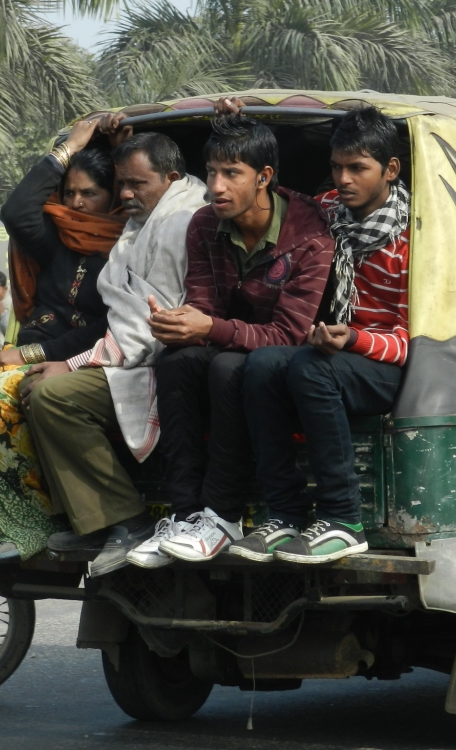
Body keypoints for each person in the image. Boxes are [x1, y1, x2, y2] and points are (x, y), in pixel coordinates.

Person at [133, 108, 335, 567]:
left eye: (231, 174)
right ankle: (186, 515)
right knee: (176, 360)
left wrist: (210, 328)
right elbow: (206, 304)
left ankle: (223, 515)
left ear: (264, 177)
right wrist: (180, 323)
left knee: (228, 366)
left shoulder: (310, 235)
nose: (216, 186)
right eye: (211, 173)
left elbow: (288, 332)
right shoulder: (204, 224)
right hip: (232, 343)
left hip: (288, 359)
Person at [0, 116, 127, 565]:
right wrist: (68, 148)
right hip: (33, 349)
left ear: (114, 195)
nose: (76, 202)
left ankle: (37, 520)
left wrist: (29, 352)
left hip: (83, 356)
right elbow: (16, 210)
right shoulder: (58, 239)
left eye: (89, 194)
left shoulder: (127, 243)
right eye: (70, 192)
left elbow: (107, 327)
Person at [228, 105, 410, 563]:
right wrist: (240, 126)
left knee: (310, 370)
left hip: (387, 367)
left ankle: (344, 517)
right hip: (331, 351)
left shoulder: (414, 237)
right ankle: (284, 513)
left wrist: (354, 340)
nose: (344, 179)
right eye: (336, 167)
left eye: (358, 168)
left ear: (390, 170)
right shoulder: (326, 210)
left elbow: (411, 339)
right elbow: (265, 190)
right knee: (262, 364)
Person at [21, 131, 208, 577]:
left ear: (172, 177)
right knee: (29, 390)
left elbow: (150, 324)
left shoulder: (179, 220)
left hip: (156, 358)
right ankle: (84, 520)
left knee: (53, 397)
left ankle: (126, 520)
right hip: (122, 350)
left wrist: (69, 362)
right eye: (121, 184)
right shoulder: (140, 222)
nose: (125, 194)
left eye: (136, 184)